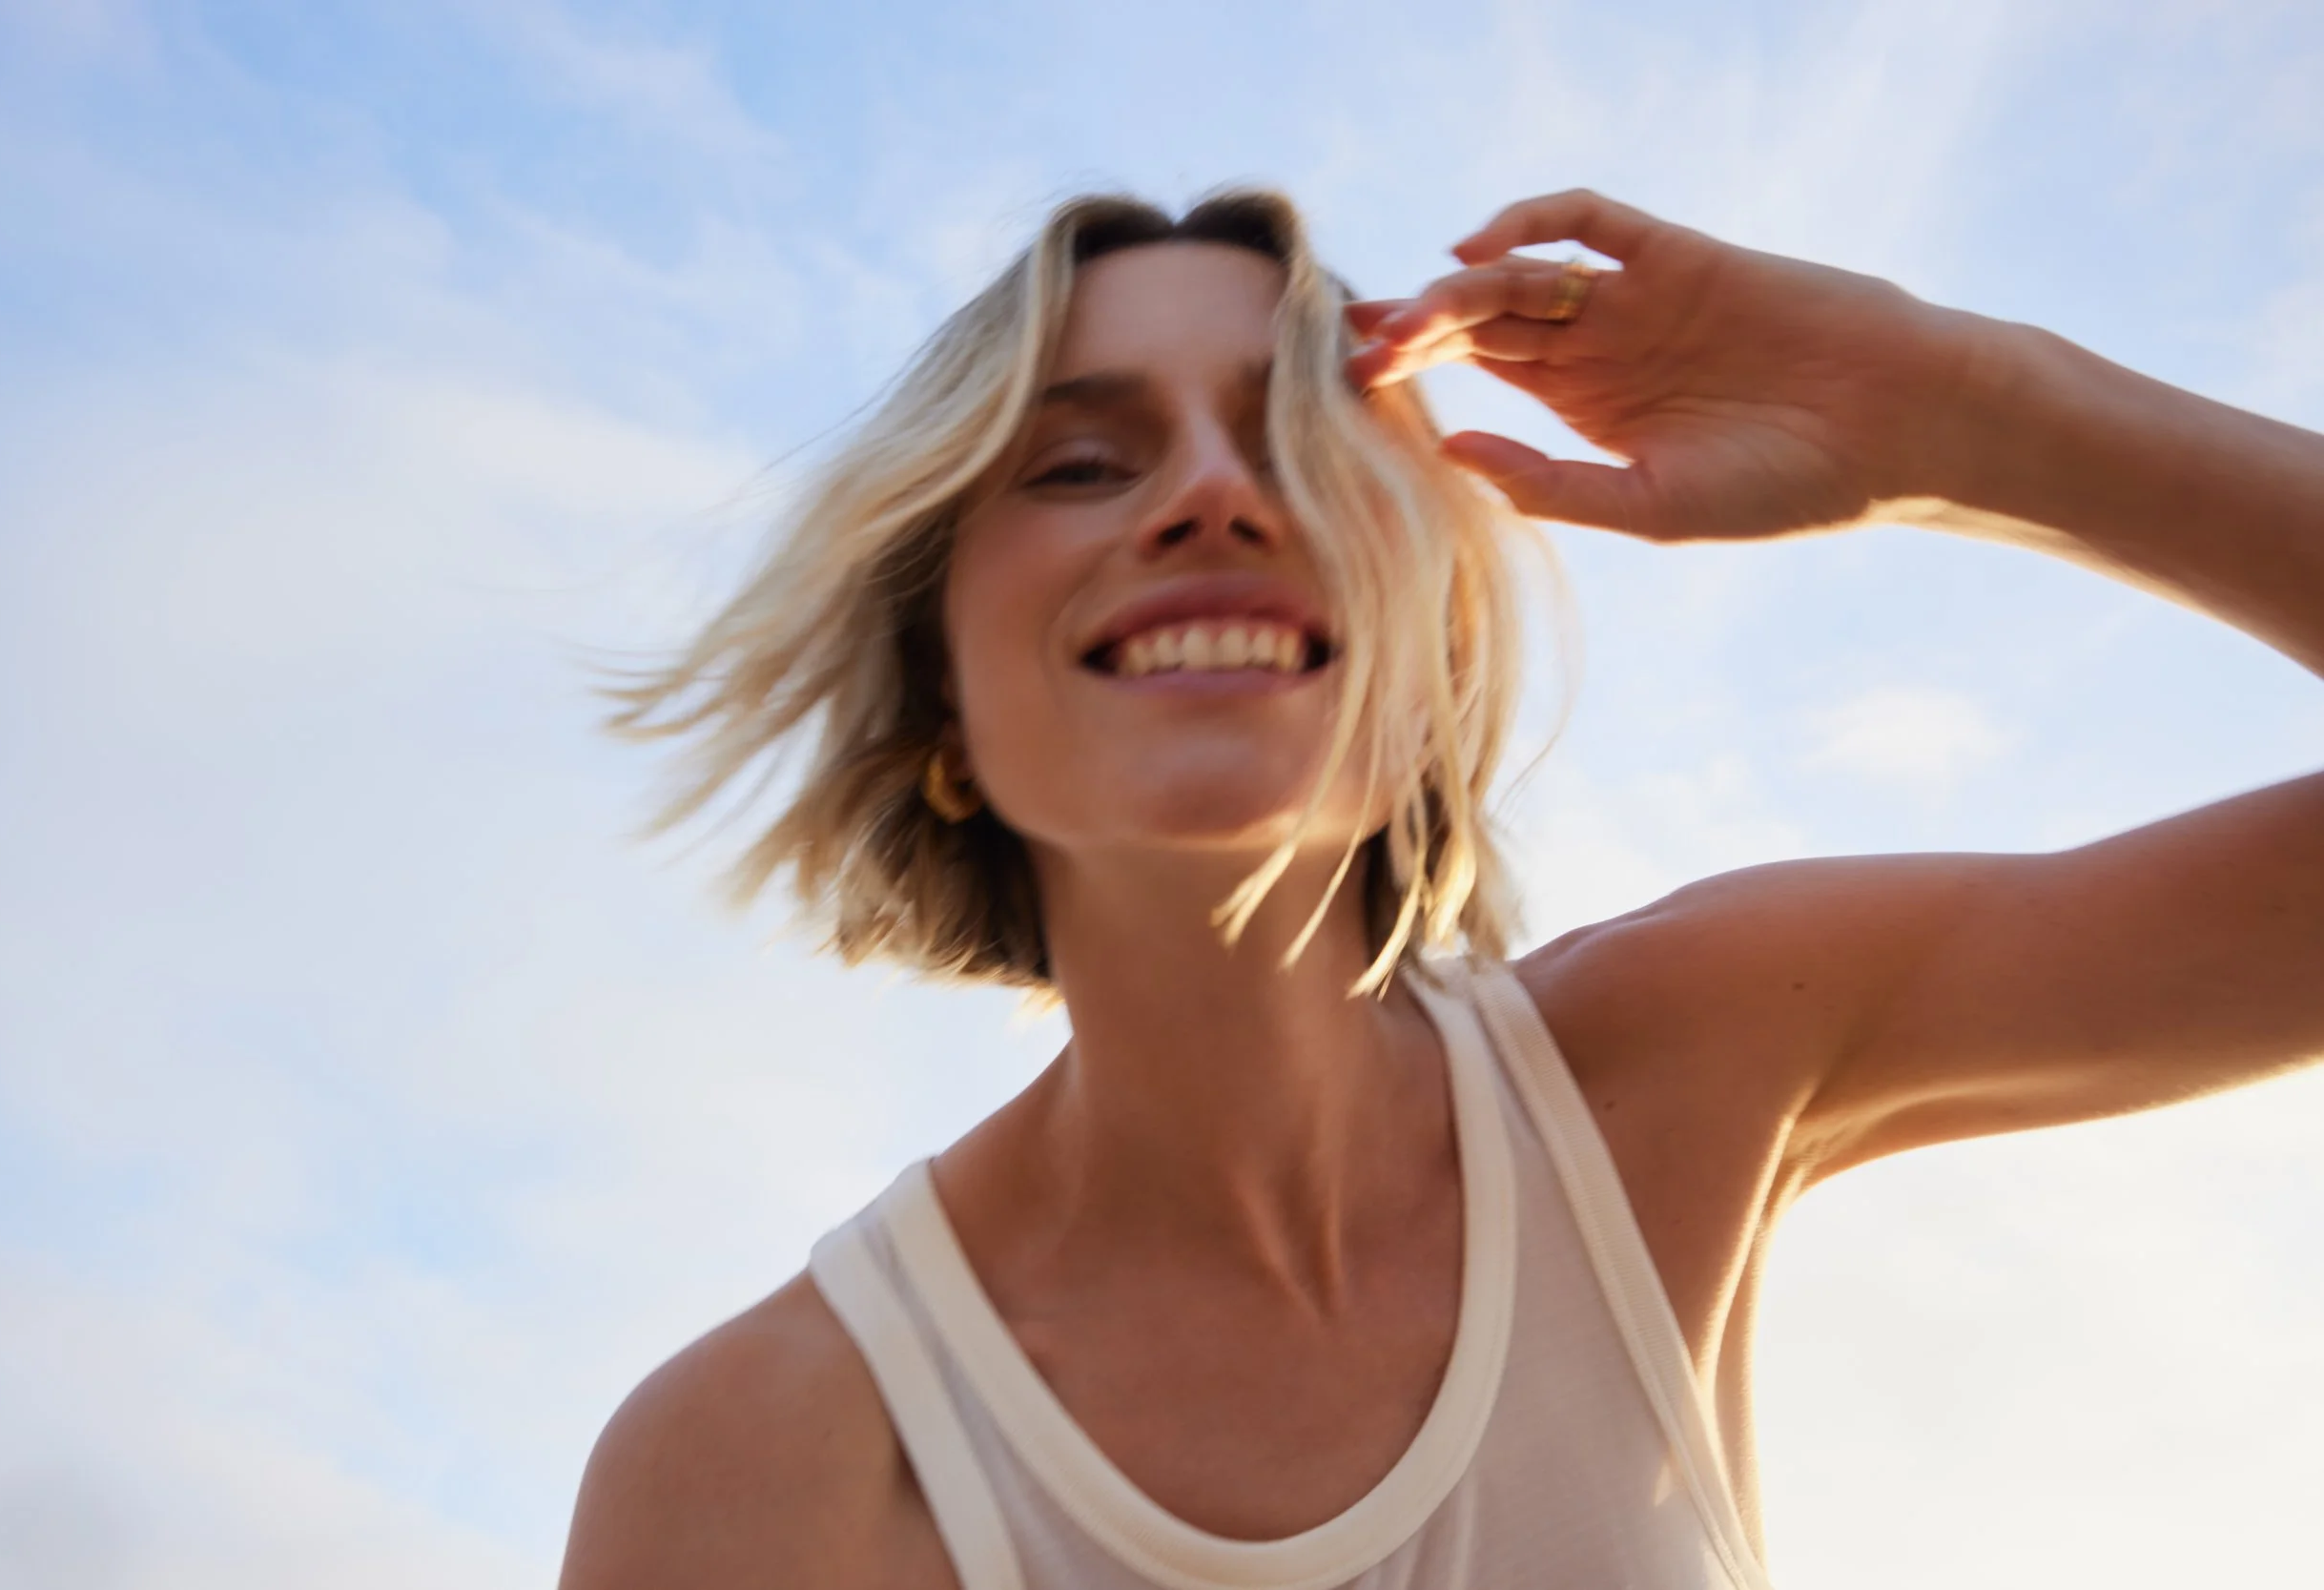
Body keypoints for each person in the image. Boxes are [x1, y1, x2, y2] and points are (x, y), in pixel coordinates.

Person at [557, 187, 2324, 1590]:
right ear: (939, 698)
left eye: (1307, 452)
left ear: (1423, 658)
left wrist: (1963, 416)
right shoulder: (769, 1455)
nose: (1212, 496)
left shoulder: (1688, 1059)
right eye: (1083, 463)